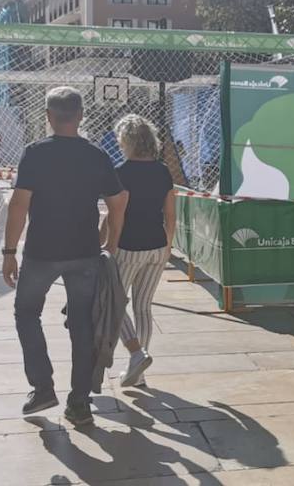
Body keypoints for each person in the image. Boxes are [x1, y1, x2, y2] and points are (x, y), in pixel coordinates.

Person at [2, 87, 128, 426]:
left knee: (27, 313)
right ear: (81, 115)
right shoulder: (96, 155)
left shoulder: (35, 153)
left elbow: (18, 205)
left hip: (42, 251)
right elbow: (119, 200)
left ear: (48, 116)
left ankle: (43, 386)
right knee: (83, 323)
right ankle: (79, 401)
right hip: (84, 252)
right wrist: (112, 244)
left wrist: (9, 251)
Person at [100, 114, 176, 389]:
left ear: (126, 141)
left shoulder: (120, 172)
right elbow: (170, 214)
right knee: (143, 307)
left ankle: (137, 355)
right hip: (157, 246)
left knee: (114, 304)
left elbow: (114, 215)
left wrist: (107, 244)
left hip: (128, 247)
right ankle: (139, 372)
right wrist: (167, 247)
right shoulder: (163, 170)